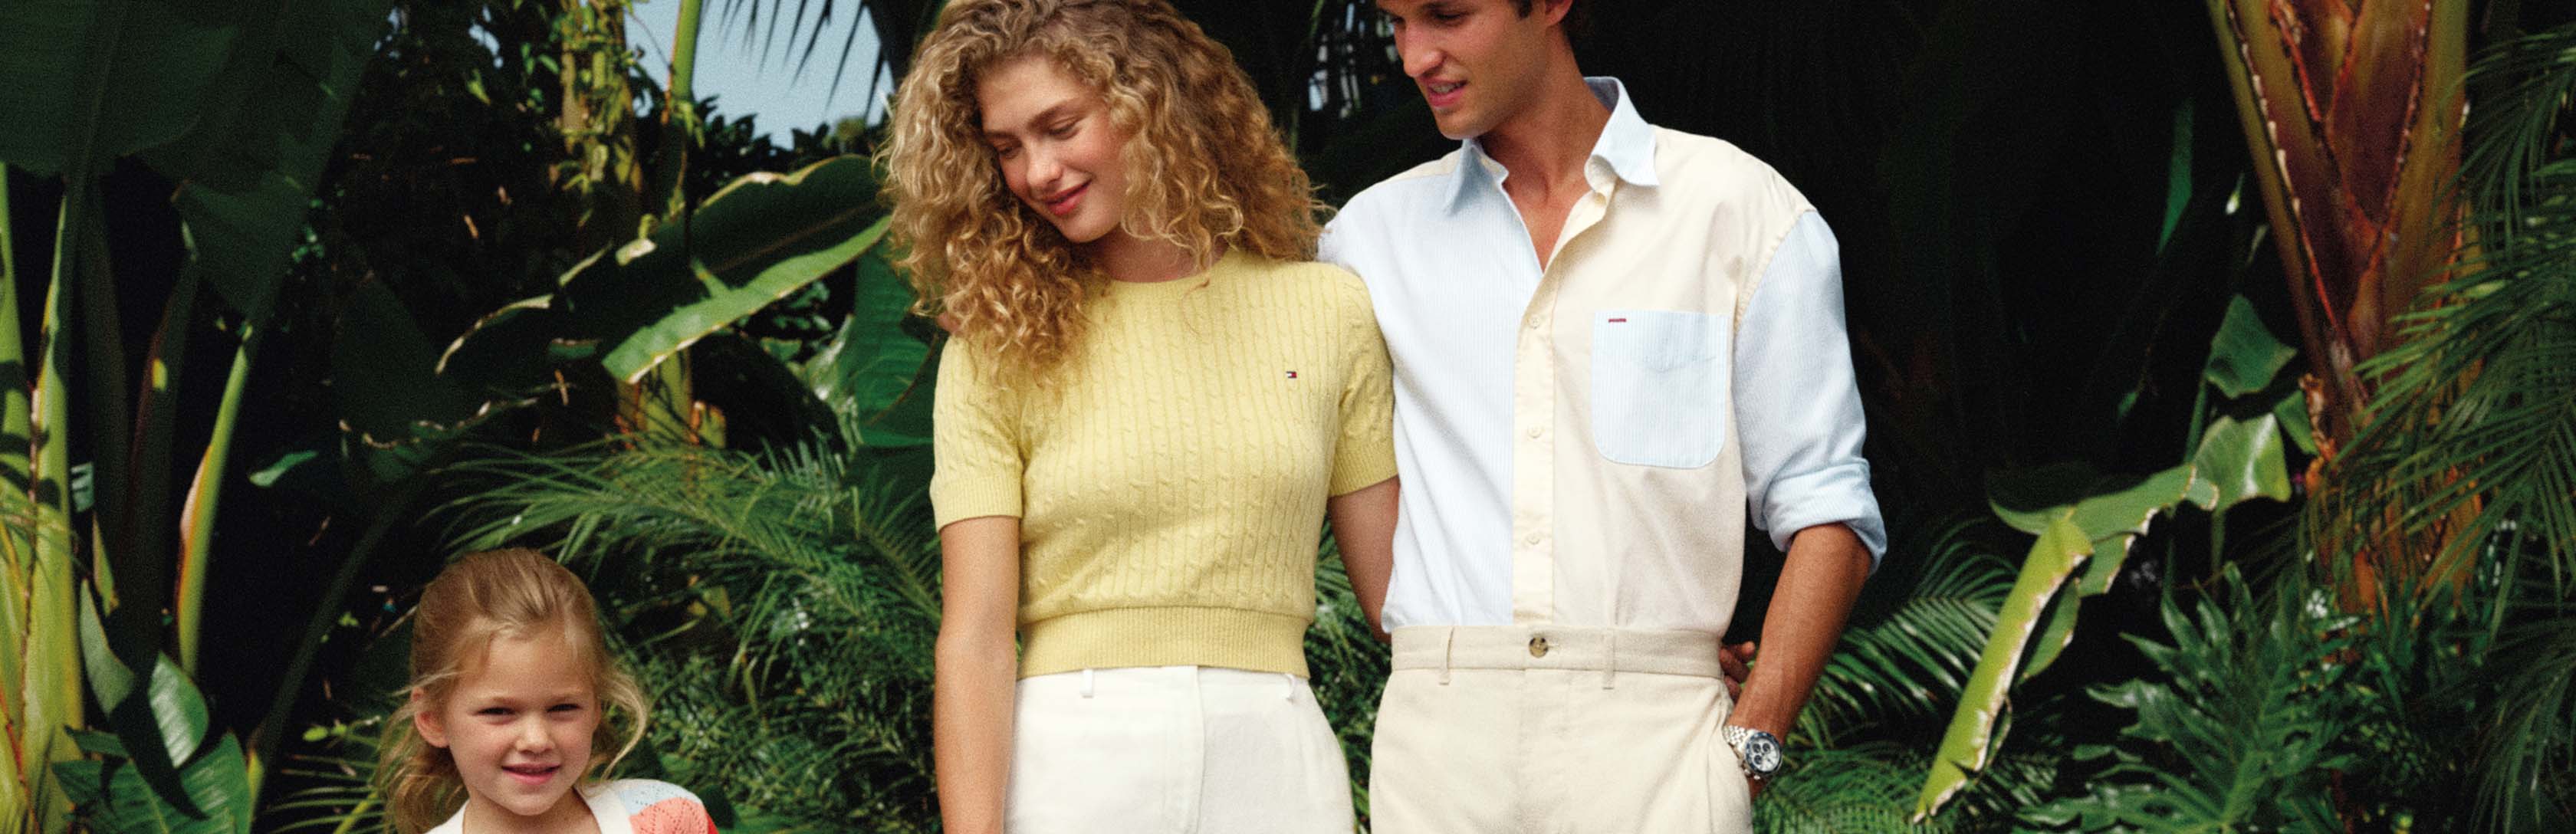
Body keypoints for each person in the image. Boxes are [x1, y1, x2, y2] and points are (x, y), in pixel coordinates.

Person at [1319, 0, 1886, 830]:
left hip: (1660, 750)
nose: (1414, 57)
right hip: (1438, 747)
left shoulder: (1738, 211)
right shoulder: (1368, 242)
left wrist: (1746, 751)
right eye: (1396, 22)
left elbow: (1827, 507)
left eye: (1446, 15)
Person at [881, 1, 1401, 832]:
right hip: (1071, 757)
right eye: (1007, 148)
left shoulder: (1328, 310)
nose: (1038, 171)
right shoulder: (996, 345)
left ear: (1149, 105)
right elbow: (975, 636)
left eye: (1061, 127)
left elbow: (1398, 604)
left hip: (1276, 755)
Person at [379, 548, 719, 834]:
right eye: (499, 711)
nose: (536, 740)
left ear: (596, 707)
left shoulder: (667, 820)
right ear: (433, 719)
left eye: (563, 708)